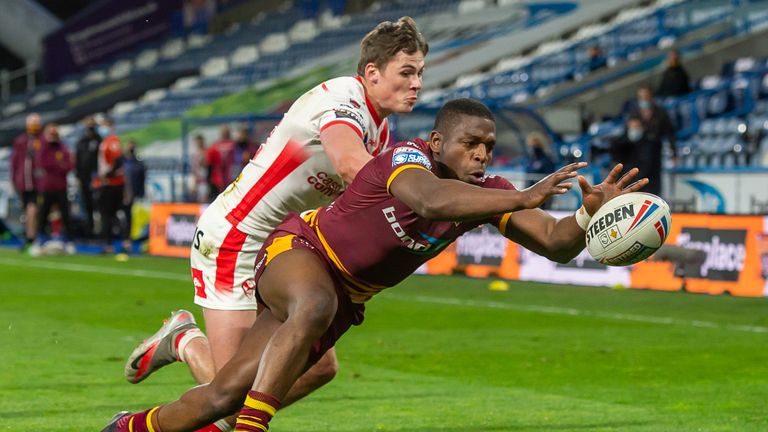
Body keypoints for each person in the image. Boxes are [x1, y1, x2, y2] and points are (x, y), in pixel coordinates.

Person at [103, 99, 647, 432]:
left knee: (221, 397)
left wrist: (588, 216)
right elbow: (431, 201)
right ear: (439, 142)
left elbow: (554, 243)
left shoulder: (492, 194)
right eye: (470, 144)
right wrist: (524, 197)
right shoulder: (407, 157)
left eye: (489, 146)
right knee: (313, 303)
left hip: (340, 301)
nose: (482, 154)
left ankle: (126, 428)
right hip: (299, 253)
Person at [120, 16, 428, 431]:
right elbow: (351, 165)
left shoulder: (381, 128)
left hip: (282, 251)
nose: (417, 84)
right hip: (236, 240)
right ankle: (186, 342)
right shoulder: (344, 100)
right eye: (406, 72)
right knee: (228, 396)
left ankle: (206, 396)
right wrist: (428, 202)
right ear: (372, 73)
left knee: (318, 368)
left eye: (420, 74)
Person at [627, 85, 677, 196]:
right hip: (636, 154)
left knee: (654, 185)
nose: (643, 99)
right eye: (641, 97)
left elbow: (670, 133)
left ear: (651, 97)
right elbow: (627, 134)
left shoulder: (660, 112)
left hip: (654, 153)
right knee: (637, 183)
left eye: (645, 96)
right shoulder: (634, 113)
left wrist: (674, 152)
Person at [35, 123, 74, 248]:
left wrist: (58, 165)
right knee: (43, 213)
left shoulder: (63, 148)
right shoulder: (44, 147)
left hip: (61, 187)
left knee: (65, 213)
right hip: (47, 187)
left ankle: (68, 238)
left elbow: (69, 165)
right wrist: (59, 165)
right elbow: (43, 163)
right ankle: (41, 237)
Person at [10, 112, 43, 251]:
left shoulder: (42, 141)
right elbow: (15, 161)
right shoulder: (21, 141)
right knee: (29, 210)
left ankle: (32, 236)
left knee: (33, 209)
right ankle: (30, 236)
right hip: (24, 182)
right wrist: (14, 179)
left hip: (38, 183)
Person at [93, 117, 126, 251]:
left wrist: (108, 175)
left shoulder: (111, 141)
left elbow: (118, 159)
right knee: (110, 214)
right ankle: (114, 242)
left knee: (109, 214)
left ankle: (112, 243)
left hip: (112, 184)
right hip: (110, 182)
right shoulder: (107, 141)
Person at [75, 116, 101, 238]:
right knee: (86, 206)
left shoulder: (100, 141)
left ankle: (102, 231)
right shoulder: (81, 142)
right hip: (84, 179)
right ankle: (89, 231)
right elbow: (77, 162)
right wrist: (78, 178)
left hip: (98, 179)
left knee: (99, 205)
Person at [122, 139, 146, 251]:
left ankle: (128, 240)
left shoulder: (138, 163)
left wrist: (140, 193)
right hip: (120, 193)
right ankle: (124, 240)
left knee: (128, 218)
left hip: (132, 194)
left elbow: (142, 178)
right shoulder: (122, 161)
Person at [190, 134, 209, 203]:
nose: (198, 144)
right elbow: (194, 169)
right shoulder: (195, 154)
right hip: (197, 180)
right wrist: (193, 183)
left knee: (204, 200)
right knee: (197, 201)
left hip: (205, 181)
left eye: (200, 142)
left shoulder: (206, 152)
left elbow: (206, 165)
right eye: (197, 142)